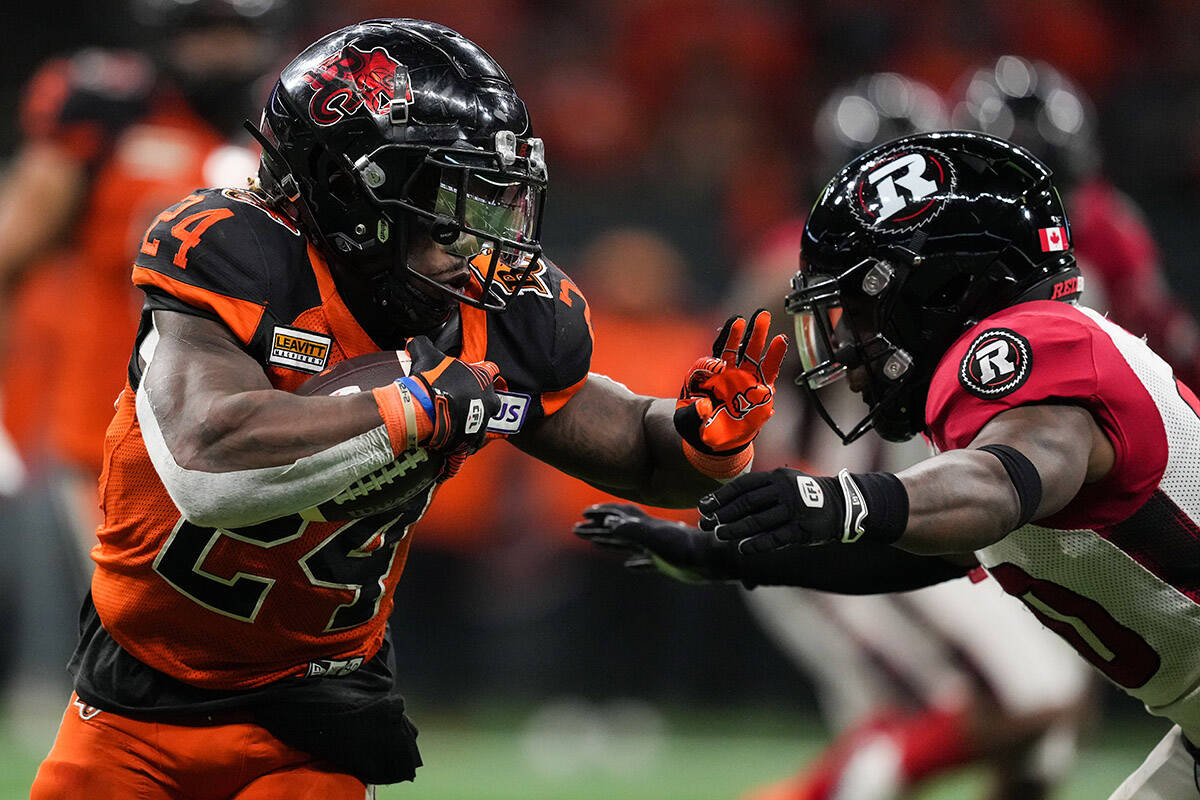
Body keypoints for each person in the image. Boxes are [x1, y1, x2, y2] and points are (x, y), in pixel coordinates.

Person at [29, 18, 788, 798]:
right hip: (135, 700)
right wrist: (412, 404)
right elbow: (208, 454)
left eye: (493, 201)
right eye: (452, 199)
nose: (478, 239)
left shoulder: (478, 312)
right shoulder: (240, 253)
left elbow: (629, 443)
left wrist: (698, 441)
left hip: (310, 714)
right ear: (354, 190)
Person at [576, 130, 1200, 799]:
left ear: (938, 291)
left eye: (862, 309)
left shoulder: (1031, 344)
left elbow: (1001, 482)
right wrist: (726, 557)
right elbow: (914, 551)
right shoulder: (1012, 373)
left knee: (1031, 702)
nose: (845, 343)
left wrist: (835, 499)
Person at [735, 75, 1091, 800]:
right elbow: (736, 340)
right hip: (838, 517)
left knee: (1028, 735)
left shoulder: (960, 275)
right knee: (1016, 703)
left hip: (928, 515)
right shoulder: (815, 266)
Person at [0, 0, 285, 736]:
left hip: (246, 423)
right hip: (111, 423)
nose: (221, 52)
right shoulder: (109, 108)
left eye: (235, 33)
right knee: (158, 637)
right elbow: (13, 244)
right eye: (203, 32)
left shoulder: (287, 123)